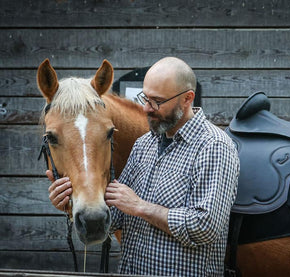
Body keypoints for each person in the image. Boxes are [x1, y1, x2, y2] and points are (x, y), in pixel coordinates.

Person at [47, 57, 240, 276]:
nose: (146, 108)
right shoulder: (144, 144)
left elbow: (205, 227)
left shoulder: (214, 146)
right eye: (145, 98)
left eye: (157, 101)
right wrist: (71, 204)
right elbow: (116, 217)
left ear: (187, 99)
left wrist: (140, 206)